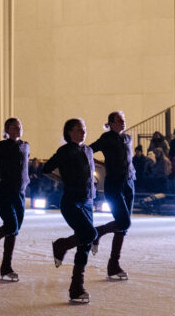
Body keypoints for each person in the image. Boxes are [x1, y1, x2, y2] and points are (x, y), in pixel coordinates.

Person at [45, 118, 97, 304]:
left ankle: (77, 288)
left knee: (85, 243)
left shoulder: (88, 150)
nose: (83, 132)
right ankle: (62, 245)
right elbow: (46, 168)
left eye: (84, 129)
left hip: (88, 200)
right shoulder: (65, 151)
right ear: (69, 132)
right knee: (90, 234)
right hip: (71, 201)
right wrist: (63, 179)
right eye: (78, 130)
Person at [0, 118, 31, 282]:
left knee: (14, 230)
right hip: (5, 192)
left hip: (20, 193)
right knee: (11, 225)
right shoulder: (1, 146)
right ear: (7, 130)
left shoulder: (26, 146)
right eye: (14, 127)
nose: (18, 129)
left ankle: (6, 268)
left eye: (20, 126)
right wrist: (0, 168)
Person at [88, 111, 136, 281]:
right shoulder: (106, 138)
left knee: (123, 227)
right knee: (124, 222)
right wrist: (99, 164)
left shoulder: (128, 138)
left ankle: (113, 265)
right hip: (114, 184)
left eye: (124, 120)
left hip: (129, 183)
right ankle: (98, 232)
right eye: (119, 120)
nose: (123, 122)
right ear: (111, 123)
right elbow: (89, 150)